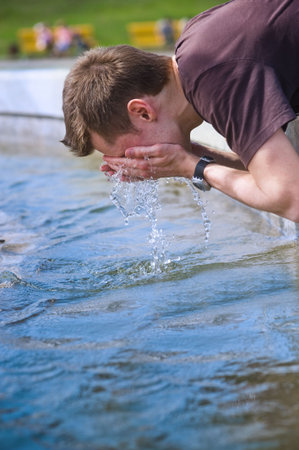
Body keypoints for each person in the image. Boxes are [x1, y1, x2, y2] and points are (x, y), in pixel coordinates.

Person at [61, 0, 299, 223]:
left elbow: (292, 199)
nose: (131, 163)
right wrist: (196, 156)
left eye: (126, 154)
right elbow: (270, 176)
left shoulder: (214, 76)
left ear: (142, 112)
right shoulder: (195, 51)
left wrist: (193, 167)